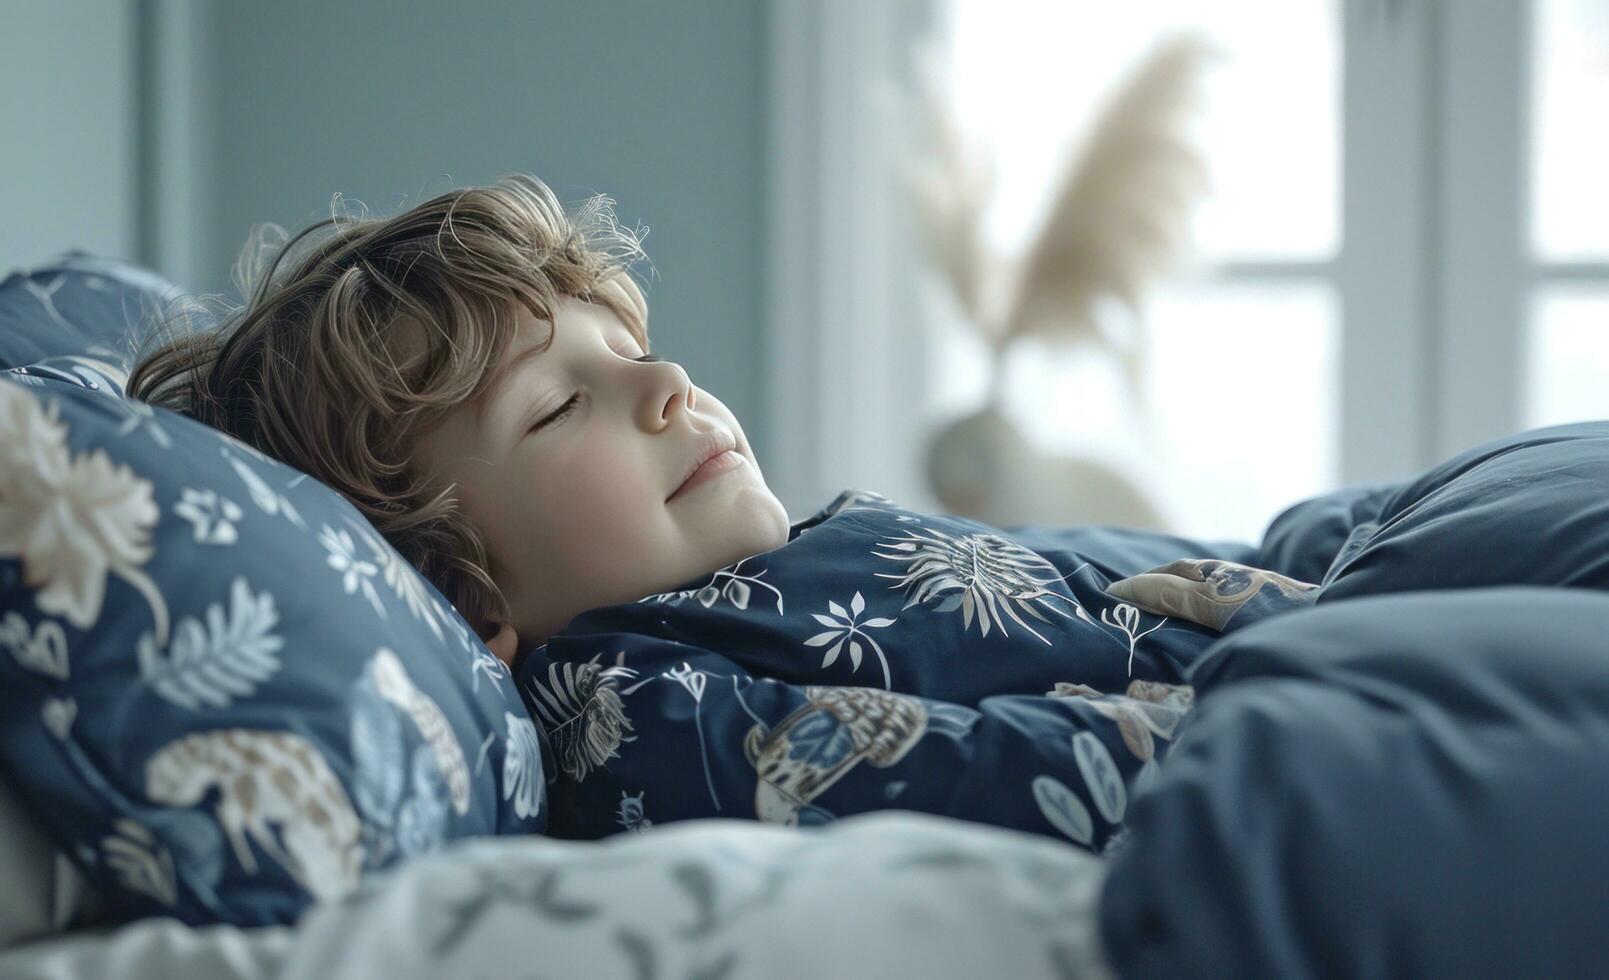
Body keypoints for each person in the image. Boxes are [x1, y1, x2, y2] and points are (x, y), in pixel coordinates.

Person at [126, 174, 1273, 846]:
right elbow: (985, 775)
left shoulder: (810, 541)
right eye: (559, 404)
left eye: (631, 346)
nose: (667, 382)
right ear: (456, 585)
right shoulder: (633, 704)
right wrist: (1264, 698)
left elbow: (1112, 581)